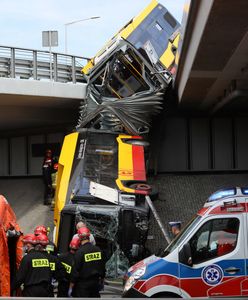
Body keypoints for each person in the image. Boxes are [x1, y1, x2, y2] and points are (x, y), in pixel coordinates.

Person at [69, 227, 105, 298]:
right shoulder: (98, 250)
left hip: (82, 286)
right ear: (89, 236)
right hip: (95, 285)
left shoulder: (80, 252)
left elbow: (75, 272)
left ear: (79, 238)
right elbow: (102, 267)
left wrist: (71, 287)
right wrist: (102, 280)